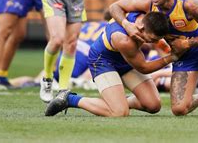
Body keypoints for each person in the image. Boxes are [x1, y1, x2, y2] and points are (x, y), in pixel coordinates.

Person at [44, 12, 182, 117]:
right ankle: (70, 99)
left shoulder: (139, 10)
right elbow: (143, 67)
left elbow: (115, 6)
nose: (151, 42)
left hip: (124, 60)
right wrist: (172, 57)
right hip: (103, 61)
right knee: (119, 113)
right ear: (141, 27)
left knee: (153, 105)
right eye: (151, 39)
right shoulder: (124, 40)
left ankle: (116, 100)